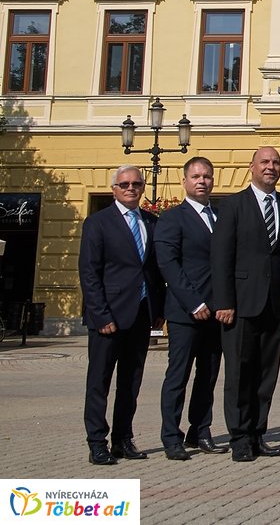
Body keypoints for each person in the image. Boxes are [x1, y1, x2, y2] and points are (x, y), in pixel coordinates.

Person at [79, 165, 164, 465]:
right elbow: (90, 273)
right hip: (108, 317)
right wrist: (100, 315)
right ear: (114, 188)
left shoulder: (151, 223)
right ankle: (96, 443)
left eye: (137, 184)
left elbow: (154, 271)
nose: (131, 188)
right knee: (99, 382)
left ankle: (123, 439)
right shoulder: (98, 223)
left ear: (142, 188)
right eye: (125, 184)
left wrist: (159, 309)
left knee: (131, 382)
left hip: (140, 315)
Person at [211, 146, 280, 463]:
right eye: (265, 162)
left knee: (266, 373)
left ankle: (259, 434)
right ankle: (240, 437)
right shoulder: (232, 205)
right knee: (240, 373)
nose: (270, 167)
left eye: (275, 162)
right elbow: (220, 257)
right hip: (240, 303)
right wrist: (224, 301)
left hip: (274, 302)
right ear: (252, 167)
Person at [156, 156, 227, 459]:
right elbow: (169, 265)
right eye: (196, 176)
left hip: (216, 312)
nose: (202, 181)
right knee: (178, 376)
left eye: (207, 176)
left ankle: (200, 430)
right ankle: (171, 436)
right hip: (186, 312)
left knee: (208, 376)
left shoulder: (221, 216)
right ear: (184, 181)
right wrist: (194, 302)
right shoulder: (173, 218)